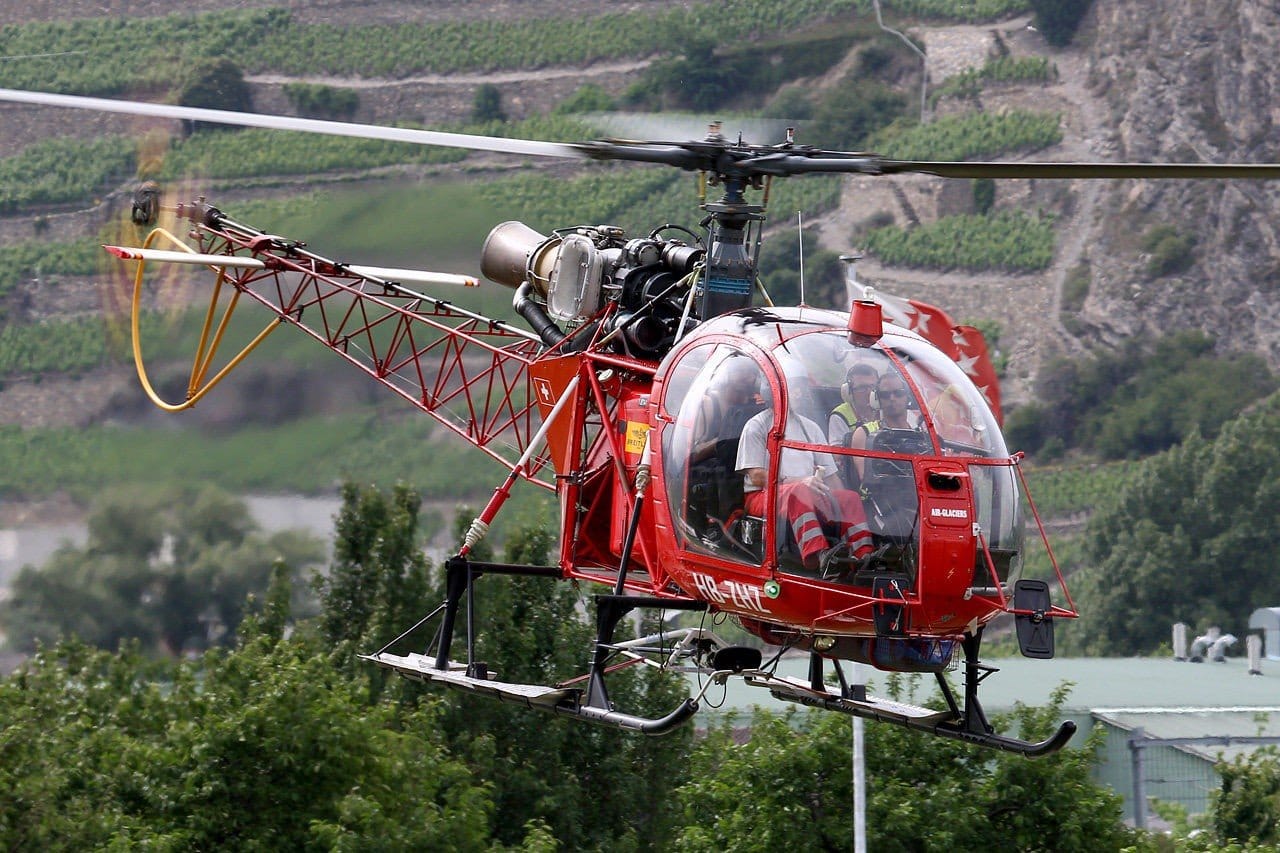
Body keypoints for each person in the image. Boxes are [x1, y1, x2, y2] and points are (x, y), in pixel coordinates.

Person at [735, 371, 874, 573]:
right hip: (763, 495)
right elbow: (756, 476)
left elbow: (831, 476)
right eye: (793, 388)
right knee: (800, 491)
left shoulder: (811, 427)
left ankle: (864, 555)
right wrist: (799, 482)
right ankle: (818, 556)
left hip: (807, 493)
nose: (799, 393)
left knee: (849, 497)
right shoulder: (756, 426)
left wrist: (838, 499)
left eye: (800, 388)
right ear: (772, 391)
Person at [828, 362, 881, 447]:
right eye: (862, 387)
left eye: (873, 387)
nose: (869, 392)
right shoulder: (840, 415)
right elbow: (837, 455)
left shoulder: (887, 407)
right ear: (848, 392)